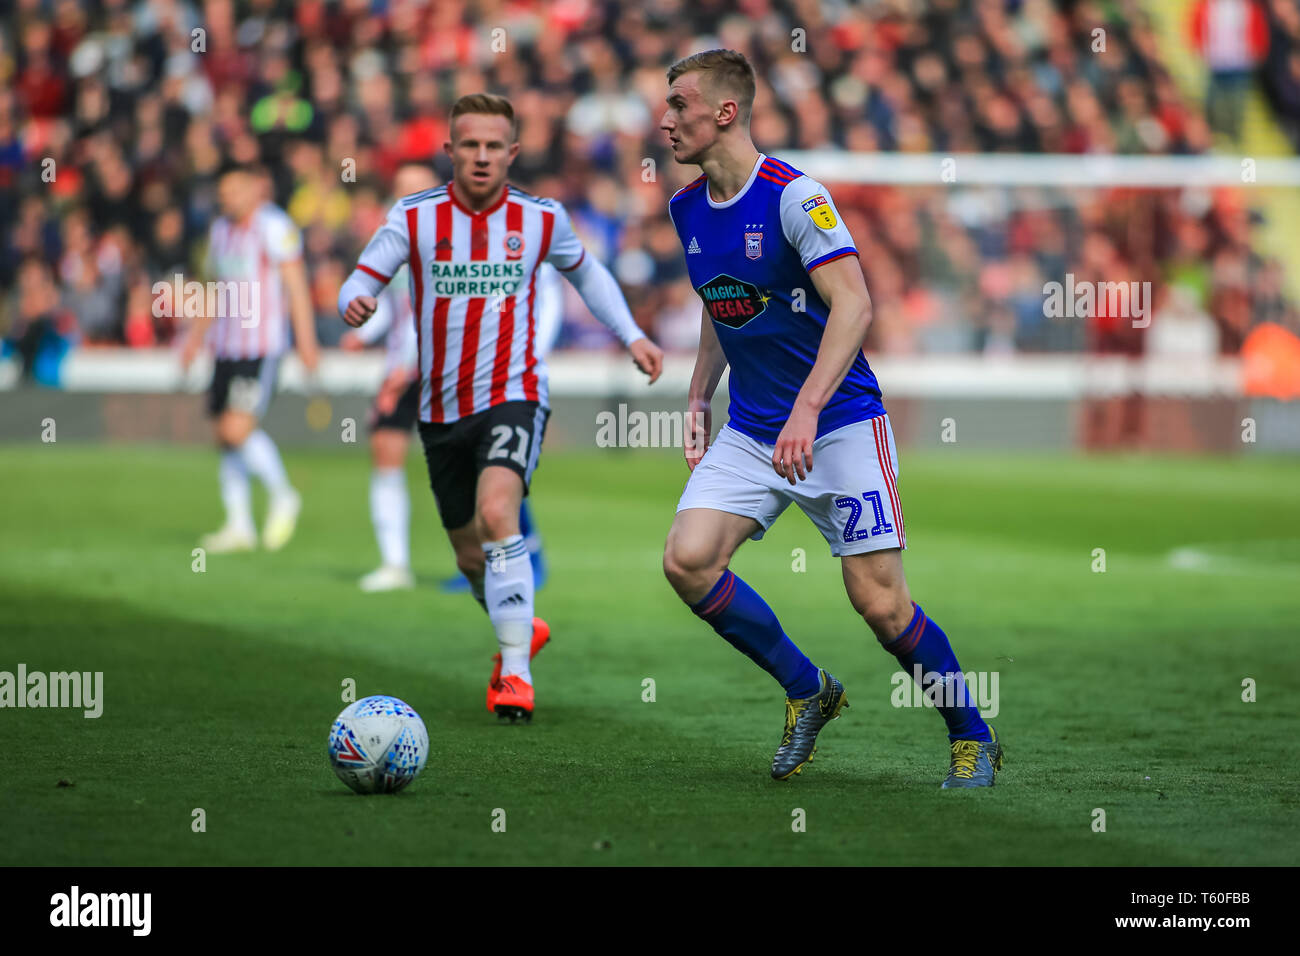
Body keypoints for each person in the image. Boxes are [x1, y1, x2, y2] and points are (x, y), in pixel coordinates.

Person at [659, 50, 1002, 786]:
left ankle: (972, 735)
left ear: (725, 112)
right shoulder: (686, 207)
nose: (666, 119)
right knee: (687, 561)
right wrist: (697, 395)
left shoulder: (794, 195)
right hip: (753, 429)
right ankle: (809, 690)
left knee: (879, 607)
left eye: (680, 104)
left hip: (839, 420)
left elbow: (855, 304)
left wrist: (808, 410)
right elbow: (722, 306)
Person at [338, 94, 664, 722]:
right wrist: (355, 299)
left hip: (515, 394)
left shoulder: (542, 219)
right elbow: (362, 276)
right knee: (468, 554)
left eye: (494, 146)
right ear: (450, 151)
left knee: (498, 512)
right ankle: (521, 628)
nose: (482, 156)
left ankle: (514, 674)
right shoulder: (412, 218)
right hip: (439, 410)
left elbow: (589, 275)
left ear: (512, 152)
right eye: (470, 144)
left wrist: (632, 335)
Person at [182, 162, 319, 553]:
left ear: (255, 189)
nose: (228, 199)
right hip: (225, 345)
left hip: (261, 345)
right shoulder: (220, 230)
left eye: (235, 191)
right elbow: (212, 287)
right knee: (223, 437)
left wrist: (306, 341)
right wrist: (195, 338)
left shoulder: (275, 227)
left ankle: (284, 493)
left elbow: (296, 286)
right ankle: (239, 525)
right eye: (223, 193)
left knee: (235, 429)